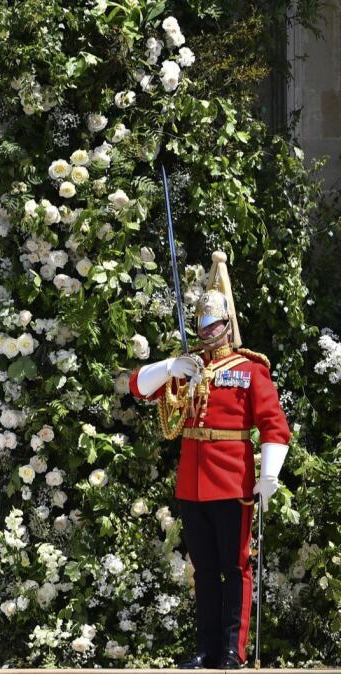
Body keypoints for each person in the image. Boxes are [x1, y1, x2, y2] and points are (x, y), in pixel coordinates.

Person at [128, 252, 290, 670]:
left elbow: (274, 426)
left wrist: (268, 475)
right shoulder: (189, 366)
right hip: (192, 484)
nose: (206, 333)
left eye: (213, 326)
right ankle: (205, 648)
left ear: (227, 327)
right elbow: (138, 387)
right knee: (203, 570)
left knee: (235, 568)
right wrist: (169, 366)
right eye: (201, 326)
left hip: (232, 481)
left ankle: (232, 651)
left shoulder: (251, 370)